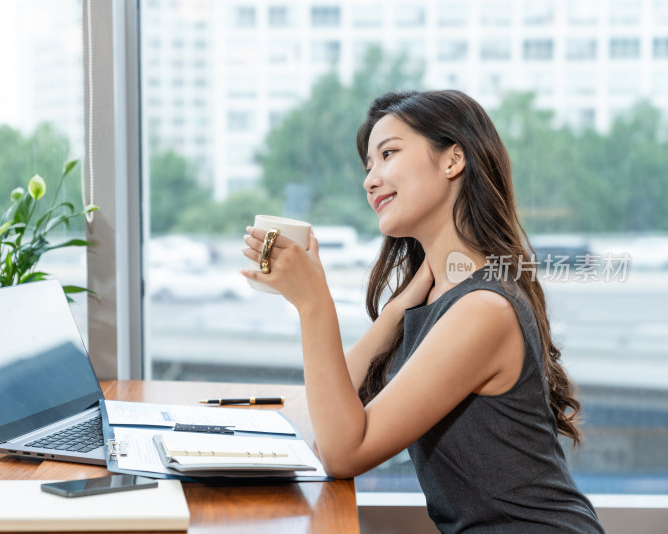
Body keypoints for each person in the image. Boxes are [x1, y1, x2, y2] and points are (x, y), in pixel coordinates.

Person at [240, 90, 604, 533]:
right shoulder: (441, 297)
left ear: (453, 161)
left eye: (388, 154)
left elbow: (344, 453)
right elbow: (321, 416)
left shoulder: (483, 310)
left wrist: (313, 304)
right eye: (368, 166)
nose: (370, 179)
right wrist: (395, 314)